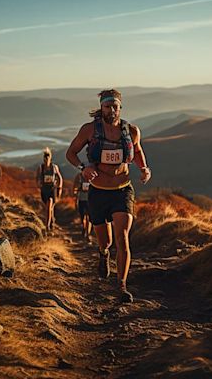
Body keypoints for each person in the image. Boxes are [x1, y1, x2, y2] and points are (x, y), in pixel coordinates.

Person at [66, 89, 151, 303]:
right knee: (105, 241)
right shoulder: (89, 130)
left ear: (120, 107)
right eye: (107, 106)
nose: (111, 110)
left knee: (122, 239)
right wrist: (83, 168)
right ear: (101, 108)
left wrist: (144, 168)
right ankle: (103, 254)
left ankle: (121, 285)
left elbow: (138, 152)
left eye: (115, 106)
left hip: (123, 189)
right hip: (98, 192)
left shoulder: (131, 131)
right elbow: (71, 153)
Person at [35, 148, 63, 232]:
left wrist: (59, 188)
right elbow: (37, 177)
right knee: (49, 208)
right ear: (43, 158)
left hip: (52, 189)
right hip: (44, 190)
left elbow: (60, 177)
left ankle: (47, 226)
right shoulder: (41, 168)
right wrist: (38, 184)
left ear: (50, 158)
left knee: (49, 205)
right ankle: (52, 222)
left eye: (48, 157)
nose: (46, 159)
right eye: (45, 157)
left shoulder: (54, 167)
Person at [73, 171, 92, 242]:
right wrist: (75, 196)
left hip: (90, 200)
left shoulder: (93, 176)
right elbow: (74, 186)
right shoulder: (79, 176)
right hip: (81, 199)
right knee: (83, 217)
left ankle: (88, 234)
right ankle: (84, 228)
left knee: (89, 218)